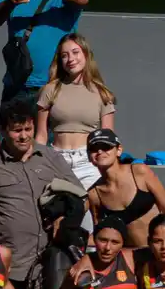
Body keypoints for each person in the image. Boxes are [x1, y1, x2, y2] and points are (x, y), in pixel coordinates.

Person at [0, 98, 78, 289]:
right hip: (9, 268)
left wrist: (62, 217)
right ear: (3, 130)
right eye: (17, 130)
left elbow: (79, 196)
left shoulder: (50, 157)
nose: (24, 136)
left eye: (28, 129)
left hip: (49, 264)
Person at [35, 33, 116, 189]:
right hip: (56, 159)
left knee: (89, 211)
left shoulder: (102, 93)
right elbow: (41, 134)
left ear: (86, 54)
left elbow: (108, 136)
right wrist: (37, 162)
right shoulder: (50, 90)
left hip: (89, 162)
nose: (70, 59)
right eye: (64, 56)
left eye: (75, 52)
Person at [86, 129, 165, 248]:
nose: (100, 151)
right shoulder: (94, 194)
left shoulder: (140, 172)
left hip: (160, 251)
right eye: (94, 149)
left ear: (119, 150)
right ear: (89, 156)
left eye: (106, 147)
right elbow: (101, 233)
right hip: (130, 257)